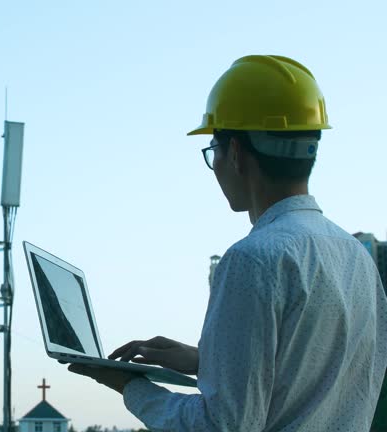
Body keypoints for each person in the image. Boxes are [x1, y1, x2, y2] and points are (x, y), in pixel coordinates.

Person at [68, 55, 387, 431]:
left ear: (234, 152)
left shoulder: (253, 259)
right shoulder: (355, 257)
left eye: (213, 150)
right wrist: (209, 359)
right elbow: (323, 373)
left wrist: (130, 386)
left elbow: (223, 426)